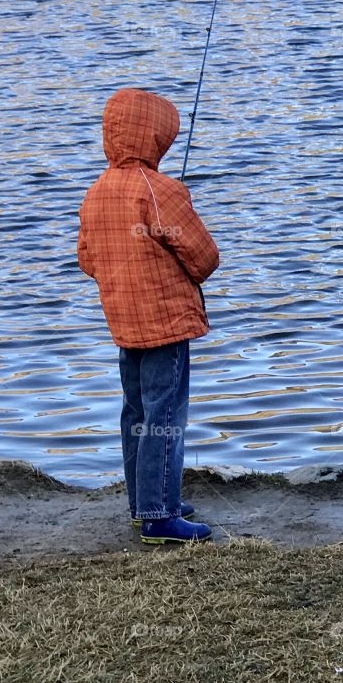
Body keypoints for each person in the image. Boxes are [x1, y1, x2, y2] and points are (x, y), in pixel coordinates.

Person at [77, 87, 219, 543]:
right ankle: (160, 515)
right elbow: (203, 256)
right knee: (165, 414)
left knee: (136, 410)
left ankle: (144, 502)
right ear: (156, 138)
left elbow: (86, 258)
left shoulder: (96, 191)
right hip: (166, 323)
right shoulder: (162, 191)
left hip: (124, 322)